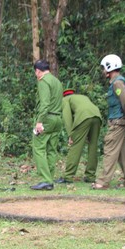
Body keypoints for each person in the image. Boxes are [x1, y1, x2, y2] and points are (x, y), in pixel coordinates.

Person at [92, 54, 125, 190]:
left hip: (117, 123)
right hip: (120, 122)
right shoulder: (117, 82)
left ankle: (103, 182)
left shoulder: (117, 82)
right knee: (123, 154)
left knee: (110, 150)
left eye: (104, 68)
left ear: (109, 67)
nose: (103, 71)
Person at [55, 89, 102, 184]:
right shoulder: (83, 97)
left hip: (83, 116)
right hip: (97, 116)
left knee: (76, 146)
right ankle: (90, 176)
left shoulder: (65, 100)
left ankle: (68, 176)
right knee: (93, 146)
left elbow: (67, 117)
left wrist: (70, 135)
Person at [30, 60, 63, 191]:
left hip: (47, 118)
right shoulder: (57, 81)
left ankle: (46, 180)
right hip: (57, 118)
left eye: (35, 72)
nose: (35, 75)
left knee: (38, 148)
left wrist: (39, 121)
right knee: (51, 149)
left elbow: (44, 103)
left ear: (38, 71)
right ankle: (50, 177)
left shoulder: (43, 81)